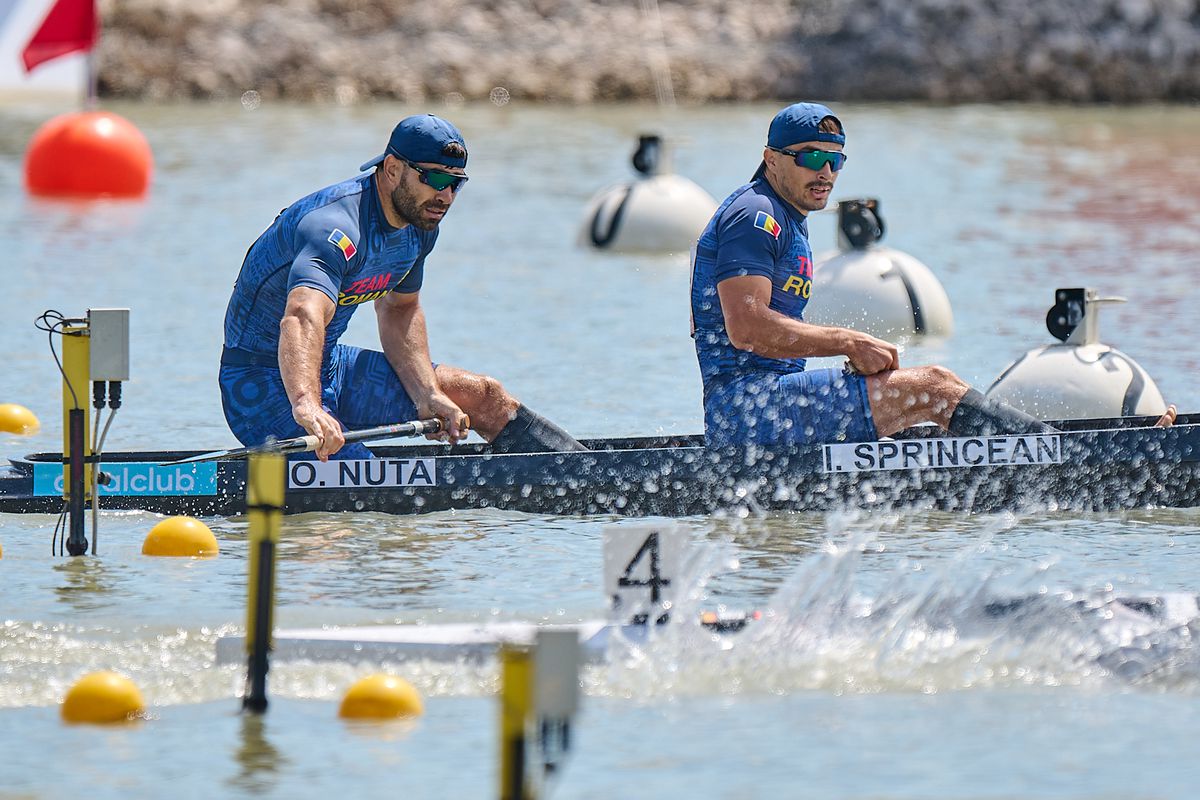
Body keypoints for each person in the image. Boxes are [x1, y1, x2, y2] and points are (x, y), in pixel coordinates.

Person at [690, 102, 1176, 447]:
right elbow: (746, 328)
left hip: (776, 404)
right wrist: (848, 342)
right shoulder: (755, 216)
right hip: (748, 413)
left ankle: (1060, 448)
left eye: (835, 160)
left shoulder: (785, 216)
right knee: (935, 386)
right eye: (812, 158)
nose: (827, 172)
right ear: (772, 158)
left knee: (927, 421)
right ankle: (1075, 457)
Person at [220, 113, 585, 460]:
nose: (446, 196)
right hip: (261, 384)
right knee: (360, 476)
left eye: (456, 183)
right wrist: (307, 404)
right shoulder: (334, 228)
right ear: (393, 169)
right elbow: (302, 316)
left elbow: (400, 309)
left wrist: (427, 394)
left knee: (485, 397)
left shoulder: (419, 228)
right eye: (436, 180)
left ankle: (586, 476)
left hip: (332, 366)